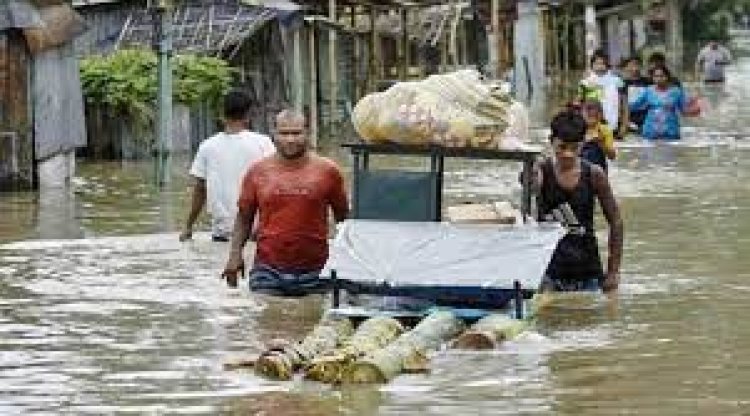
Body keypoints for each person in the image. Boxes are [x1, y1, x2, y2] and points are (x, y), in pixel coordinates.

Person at [221, 109, 350, 295]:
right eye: (284, 133)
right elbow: (244, 217)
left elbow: (344, 219)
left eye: (296, 133)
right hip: (268, 271)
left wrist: (350, 263)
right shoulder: (257, 171)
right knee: (268, 320)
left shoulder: (328, 171)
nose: (290, 139)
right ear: (274, 134)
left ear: (307, 133)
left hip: (317, 271)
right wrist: (234, 255)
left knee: (313, 321)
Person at [534, 110, 623, 293]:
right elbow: (528, 188)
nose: (568, 154)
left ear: (583, 144)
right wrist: (533, 170)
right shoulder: (542, 171)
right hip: (549, 271)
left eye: (575, 148)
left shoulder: (594, 174)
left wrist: (613, 272)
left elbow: (616, 222)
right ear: (551, 141)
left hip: (588, 270)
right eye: (562, 147)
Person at [180, 90, 275, 242]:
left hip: (222, 232)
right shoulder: (263, 143)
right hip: (256, 232)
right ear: (248, 115)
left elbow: (199, 190)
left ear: (222, 114)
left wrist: (188, 226)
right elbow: (274, 186)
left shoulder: (207, 146)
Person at [630, 66, 694, 141]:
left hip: (670, 132)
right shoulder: (648, 91)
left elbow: (684, 111)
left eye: (661, 76)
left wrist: (695, 110)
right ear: (652, 78)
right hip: (650, 131)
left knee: (670, 152)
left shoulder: (676, 92)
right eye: (656, 76)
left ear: (667, 77)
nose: (659, 79)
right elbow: (635, 105)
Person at [579, 50, 627, 139]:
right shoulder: (585, 83)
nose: (600, 67)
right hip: (591, 126)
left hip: (613, 126)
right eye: (597, 64)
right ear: (592, 65)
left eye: (602, 64)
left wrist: (624, 126)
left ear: (608, 65)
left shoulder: (617, 81)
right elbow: (582, 105)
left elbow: (625, 106)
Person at [581, 100, 617, 172]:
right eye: (588, 116)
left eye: (594, 116)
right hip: (581, 168)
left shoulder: (605, 130)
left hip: (599, 168)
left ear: (600, 116)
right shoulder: (578, 128)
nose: (591, 120)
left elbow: (612, 156)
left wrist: (601, 143)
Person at [620, 56, 651, 133]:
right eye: (630, 65)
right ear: (626, 67)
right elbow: (621, 104)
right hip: (629, 119)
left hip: (646, 119)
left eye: (636, 64)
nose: (634, 68)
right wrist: (624, 122)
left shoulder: (648, 82)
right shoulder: (622, 83)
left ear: (641, 66)